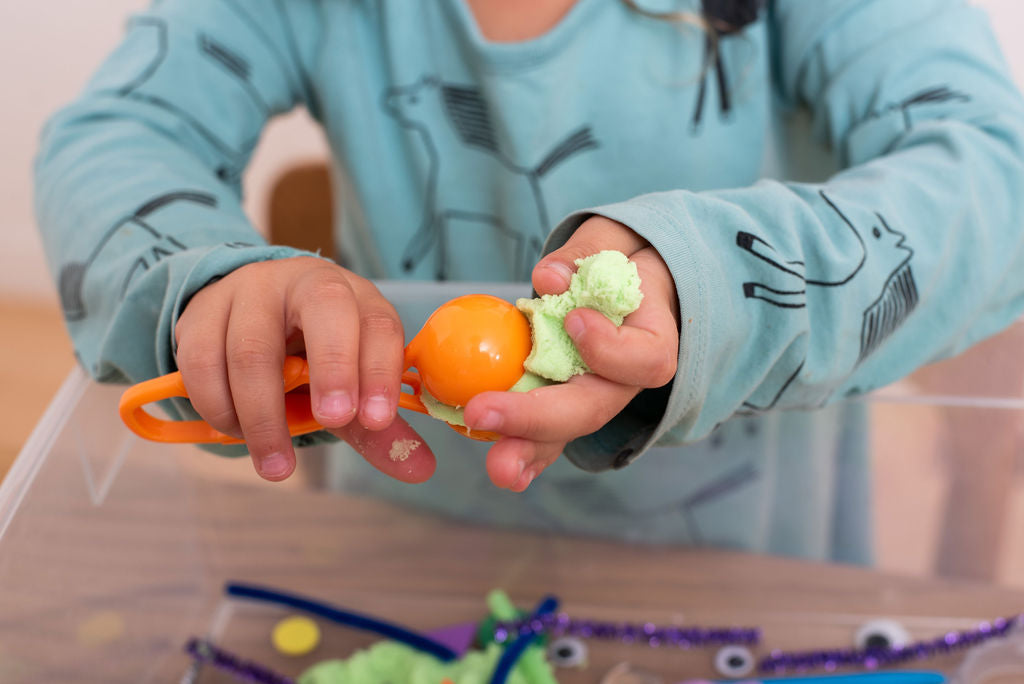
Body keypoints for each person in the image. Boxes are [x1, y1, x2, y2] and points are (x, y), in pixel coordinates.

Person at [35, 0, 1024, 561]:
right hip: (407, 558)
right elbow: (121, 132)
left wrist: (713, 281)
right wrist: (212, 288)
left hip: (753, 573)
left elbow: (993, 173)